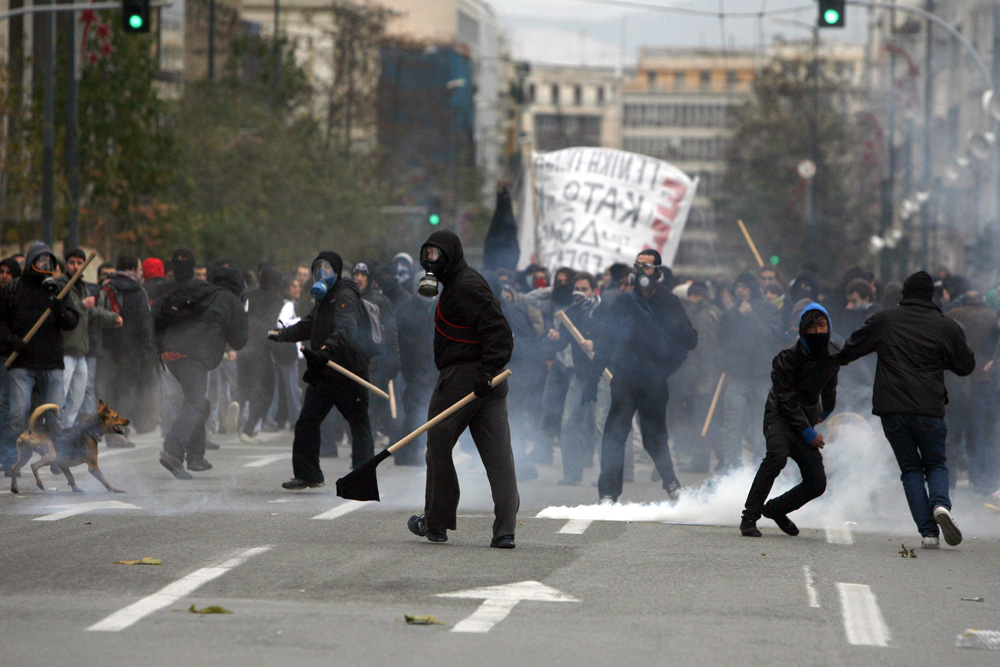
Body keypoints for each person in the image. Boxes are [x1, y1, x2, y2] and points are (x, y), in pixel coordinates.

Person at [839, 271, 975, 548]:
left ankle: (928, 533)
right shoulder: (946, 325)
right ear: (931, 296)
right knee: (936, 463)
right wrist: (940, 360)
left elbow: (851, 349)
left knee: (910, 469)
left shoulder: (885, 320)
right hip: (929, 407)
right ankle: (940, 505)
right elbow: (965, 365)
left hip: (893, 408)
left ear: (905, 293)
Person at [406, 230, 519, 548]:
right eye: (426, 254)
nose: (430, 261)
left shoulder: (466, 285)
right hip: (488, 380)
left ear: (451, 255)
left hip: (466, 379)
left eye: (435, 254)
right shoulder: (459, 284)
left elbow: (499, 331)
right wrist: (488, 373)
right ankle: (505, 531)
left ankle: (436, 522)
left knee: (439, 446)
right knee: (500, 458)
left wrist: (484, 372)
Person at [584, 250, 698, 503]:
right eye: (638, 266)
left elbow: (691, 341)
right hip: (625, 377)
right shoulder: (624, 302)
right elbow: (607, 342)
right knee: (614, 434)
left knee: (654, 434)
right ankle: (608, 494)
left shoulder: (669, 301)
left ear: (657, 271)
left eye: (646, 267)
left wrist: (676, 332)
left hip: (655, 380)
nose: (641, 271)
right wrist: (593, 379)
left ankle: (671, 483)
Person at [269, 252, 375, 488]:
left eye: (326, 268)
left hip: (349, 372)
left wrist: (328, 348)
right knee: (307, 421)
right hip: (325, 373)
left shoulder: (345, 294)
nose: (321, 273)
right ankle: (308, 474)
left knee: (358, 424)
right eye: (318, 268)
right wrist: (284, 334)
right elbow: (309, 324)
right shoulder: (323, 298)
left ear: (336, 271)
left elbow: (346, 328)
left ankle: (362, 476)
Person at [740, 303, 840, 537]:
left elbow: (830, 387)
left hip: (806, 419)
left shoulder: (834, 354)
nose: (817, 332)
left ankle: (775, 509)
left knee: (817, 482)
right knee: (777, 457)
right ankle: (749, 517)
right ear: (802, 329)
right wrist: (808, 433)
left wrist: (825, 412)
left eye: (822, 326)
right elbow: (785, 399)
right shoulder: (786, 357)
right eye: (812, 327)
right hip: (779, 415)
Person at [155, 266, 248, 478]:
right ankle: (173, 451)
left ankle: (195, 457)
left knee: (198, 402)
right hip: (192, 356)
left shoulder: (199, 291)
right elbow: (239, 341)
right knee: (195, 403)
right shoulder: (230, 300)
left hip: (169, 351)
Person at [0, 242, 79, 474]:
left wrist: (60, 310)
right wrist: (12, 340)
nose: (44, 266)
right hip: (22, 363)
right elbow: (1, 324)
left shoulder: (59, 289)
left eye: (49, 262)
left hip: (52, 362)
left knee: (56, 416)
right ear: (31, 261)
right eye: (40, 261)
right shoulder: (13, 289)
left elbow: (72, 321)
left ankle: (58, 458)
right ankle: (10, 459)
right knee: (17, 414)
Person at [548, 272, 610, 485]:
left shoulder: (606, 310)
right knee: (568, 423)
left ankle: (606, 476)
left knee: (602, 424)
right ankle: (572, 473)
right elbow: (561, 343)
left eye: (584, 289)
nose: (580, 293)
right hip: (581, 375)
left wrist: (596, 345)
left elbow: (618, 339)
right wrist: (555, 338)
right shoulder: (571, 313)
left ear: (594, 290)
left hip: (603, 374)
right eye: (577, 289)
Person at [716, 271, 783, 472]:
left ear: (753, 288)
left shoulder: (768, 310)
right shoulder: (729, 314)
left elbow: (771, 336)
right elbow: (721, 341)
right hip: (737, 376)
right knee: (732, 425)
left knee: (761, 425)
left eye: (744, 287)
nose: (740, 291)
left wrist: (751, 317)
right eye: (737, 287)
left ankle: (761, 467)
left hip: (762, 377)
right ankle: (731, 469)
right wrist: (724, 364)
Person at [59, 248, 121, 428]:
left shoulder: (82, 287)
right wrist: (81, 305)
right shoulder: (60, 285)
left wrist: (112, 318)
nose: (76, 266)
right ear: (66, 264)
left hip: (80, 350)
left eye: (79, 263)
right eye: (72, 262)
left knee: (78, 395)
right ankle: (57, 430)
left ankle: (68, 429)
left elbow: (92, 312)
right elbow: (59, 310)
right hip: (65, 349)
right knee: (62, 393)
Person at [97, 255, 153, 442]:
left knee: (109, 390)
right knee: (127, 392)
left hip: (108, 349)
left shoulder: (106, 288)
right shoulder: (139, 291)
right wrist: (145, 350)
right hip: (132, 351)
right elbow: (145, 325)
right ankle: (118, 433)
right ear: (133, 270)